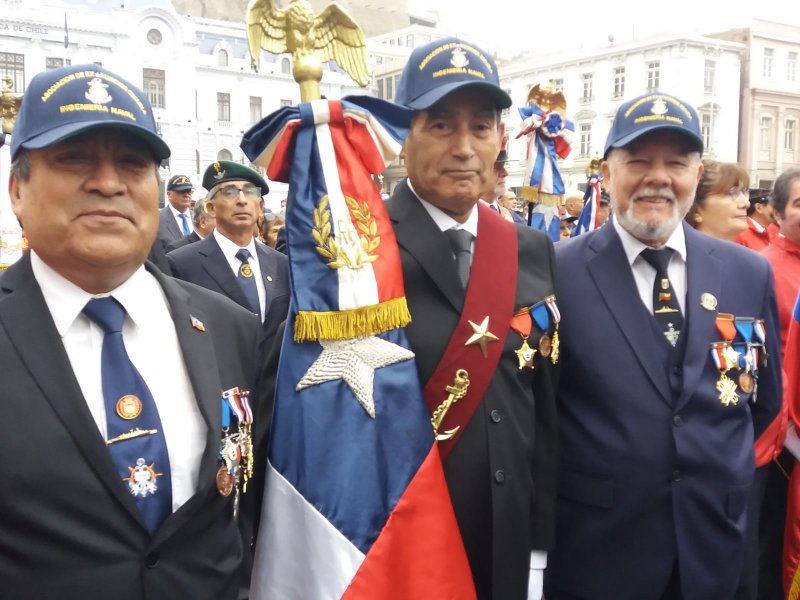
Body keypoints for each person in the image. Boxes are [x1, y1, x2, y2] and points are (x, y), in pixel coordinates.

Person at [1, 64, 262, 599]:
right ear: (17, 190)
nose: (108, 182)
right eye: (73, 158)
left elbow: (240, 516)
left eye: (133, 163)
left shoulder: (228, 326)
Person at [546, 92, 782, 600]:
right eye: (638, 161)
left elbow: (761, 404)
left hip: (715, 551)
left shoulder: (747, 273)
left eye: (676, 163)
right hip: (599, 556)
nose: (658, 177)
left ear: (696, 176)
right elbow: (538, 410)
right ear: (606, 172)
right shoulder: (553, 271)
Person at [389, 37, 558, 600]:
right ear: (402, 138)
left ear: (500, 141)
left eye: (480, 127)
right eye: (440, 125)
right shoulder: (357, 251)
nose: (464, 147)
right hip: (403, 539)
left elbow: (545, 405)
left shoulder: (531, 249)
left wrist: (539, 542)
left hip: (507, 539)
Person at [167, 160, 290, 352]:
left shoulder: (281, 264)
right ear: (211, 208)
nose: (241, 200)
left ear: (260, 207)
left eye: (249, 192)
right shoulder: (182, 264)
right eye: (229, 192)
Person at [685, 159, 750, 241]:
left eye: (745, 192)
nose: (746, 203)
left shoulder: (746, 253)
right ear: (696, 210)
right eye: (730, 193)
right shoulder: (679, 253)